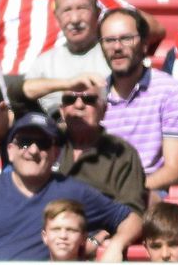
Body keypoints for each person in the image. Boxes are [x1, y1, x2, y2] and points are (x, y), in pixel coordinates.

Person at [0, 111, 143, 265]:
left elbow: (131, 219)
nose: (33, 150)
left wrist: (116, 245)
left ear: (55, 153)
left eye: (43, 143)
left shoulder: (73, 191)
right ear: (10, 151)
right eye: (25, 142)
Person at [100, 8, 178, 191]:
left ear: (144, 44)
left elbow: (175, 170)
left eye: (126, 38)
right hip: (101, 195)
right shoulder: (94, 96)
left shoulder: (170, 91)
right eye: (109, 40)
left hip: (150, 194)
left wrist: (127, 192)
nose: (117, 47)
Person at [56, 83, 148, 215]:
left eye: (89, 99)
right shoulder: (45, 144)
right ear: (62, 110)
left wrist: (101, 236)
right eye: (70, 100)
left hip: (100, 232)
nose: (79, 105)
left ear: (104, 110)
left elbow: (131, 213)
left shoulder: (122, 153)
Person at [20, 0, 111, 114]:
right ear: (57, 17)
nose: (74, 19)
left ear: (97, 13)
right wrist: (68, 84)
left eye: (82, 8)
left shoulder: (112, 56)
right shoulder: (45, 63)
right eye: (67, 10)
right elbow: (25, 91)